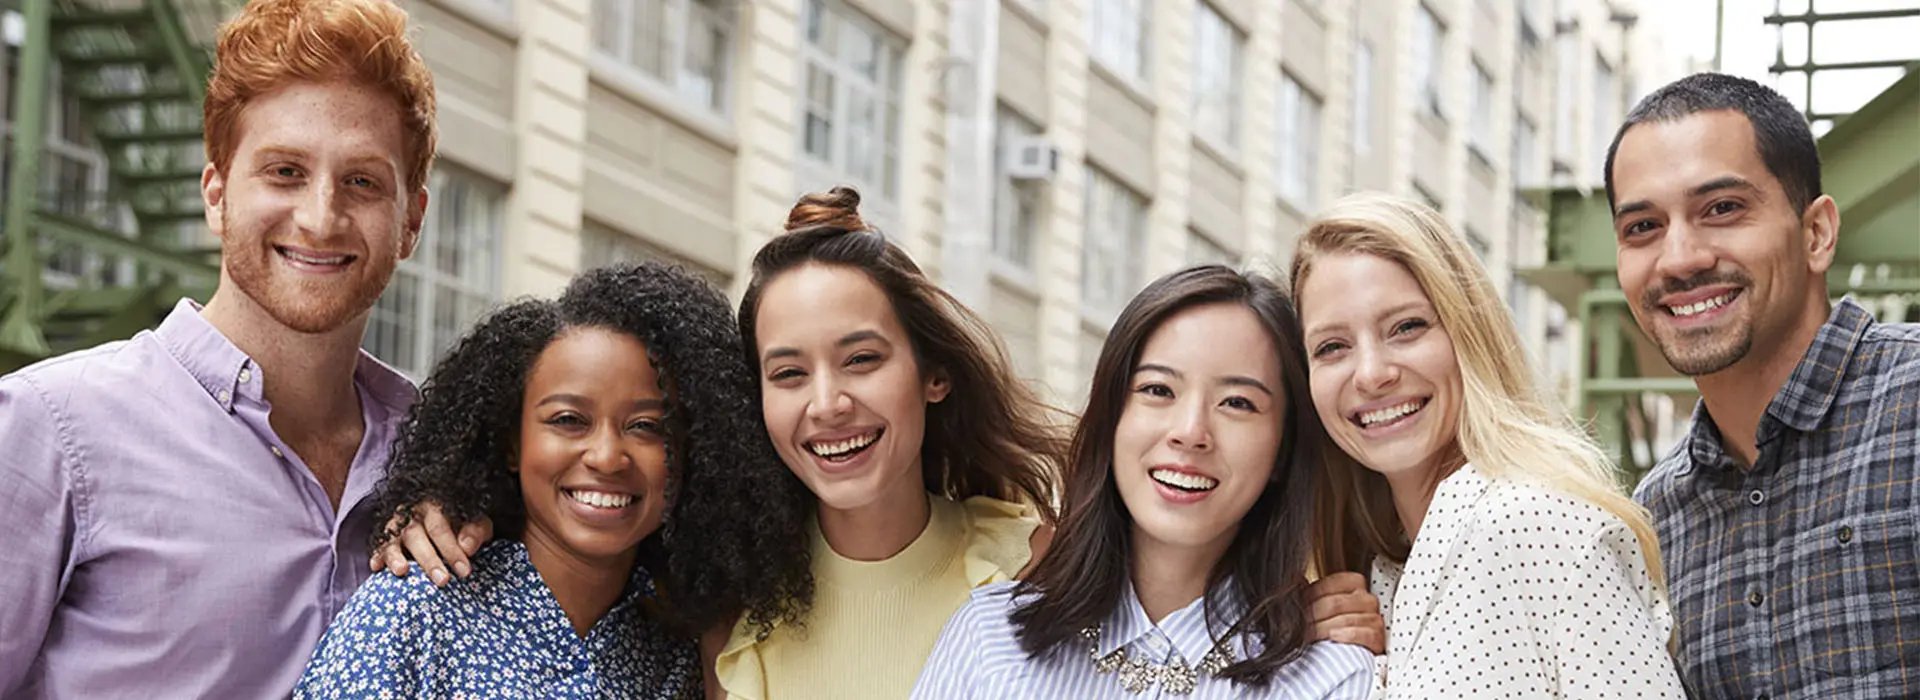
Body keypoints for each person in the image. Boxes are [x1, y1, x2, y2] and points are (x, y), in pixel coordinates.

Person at [377, 186, 1068, 699]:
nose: (828, 404)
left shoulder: (1036, 564)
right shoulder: (726, 599)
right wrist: (445, 501)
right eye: (788, 372)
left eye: (862, 359)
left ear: (935, 374)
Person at [0, 1, 439, 695]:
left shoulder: (436, 454)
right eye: (284, 172)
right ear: (215, 194)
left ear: (409, 220)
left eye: (361, 182)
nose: (321, 218)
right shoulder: (50, 429)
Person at [296, 263, 793, 698]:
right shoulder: (409, 615)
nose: (606, 456)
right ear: (512, 442)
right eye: (569, 420)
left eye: (647, 427)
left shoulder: (679, 650)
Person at [912, 265, 1373, 698]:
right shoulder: (992, 637)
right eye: (1158, 390)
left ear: (1283, 450)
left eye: (1237, 403)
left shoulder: (1328, 678)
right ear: (1111, 418)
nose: (1191, 432)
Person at [1605, 72, 1920, 698]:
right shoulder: (1654, 519)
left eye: (1722, 209)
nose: (1680, 258)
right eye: (1642, 227)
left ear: (1816, 234)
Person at [1295, 193, 1685, 697]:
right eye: (1332, 347)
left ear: (1467, 333)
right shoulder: (1374, 577)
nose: (1371, 374)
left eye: (1406, 328)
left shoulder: (1535, 521)